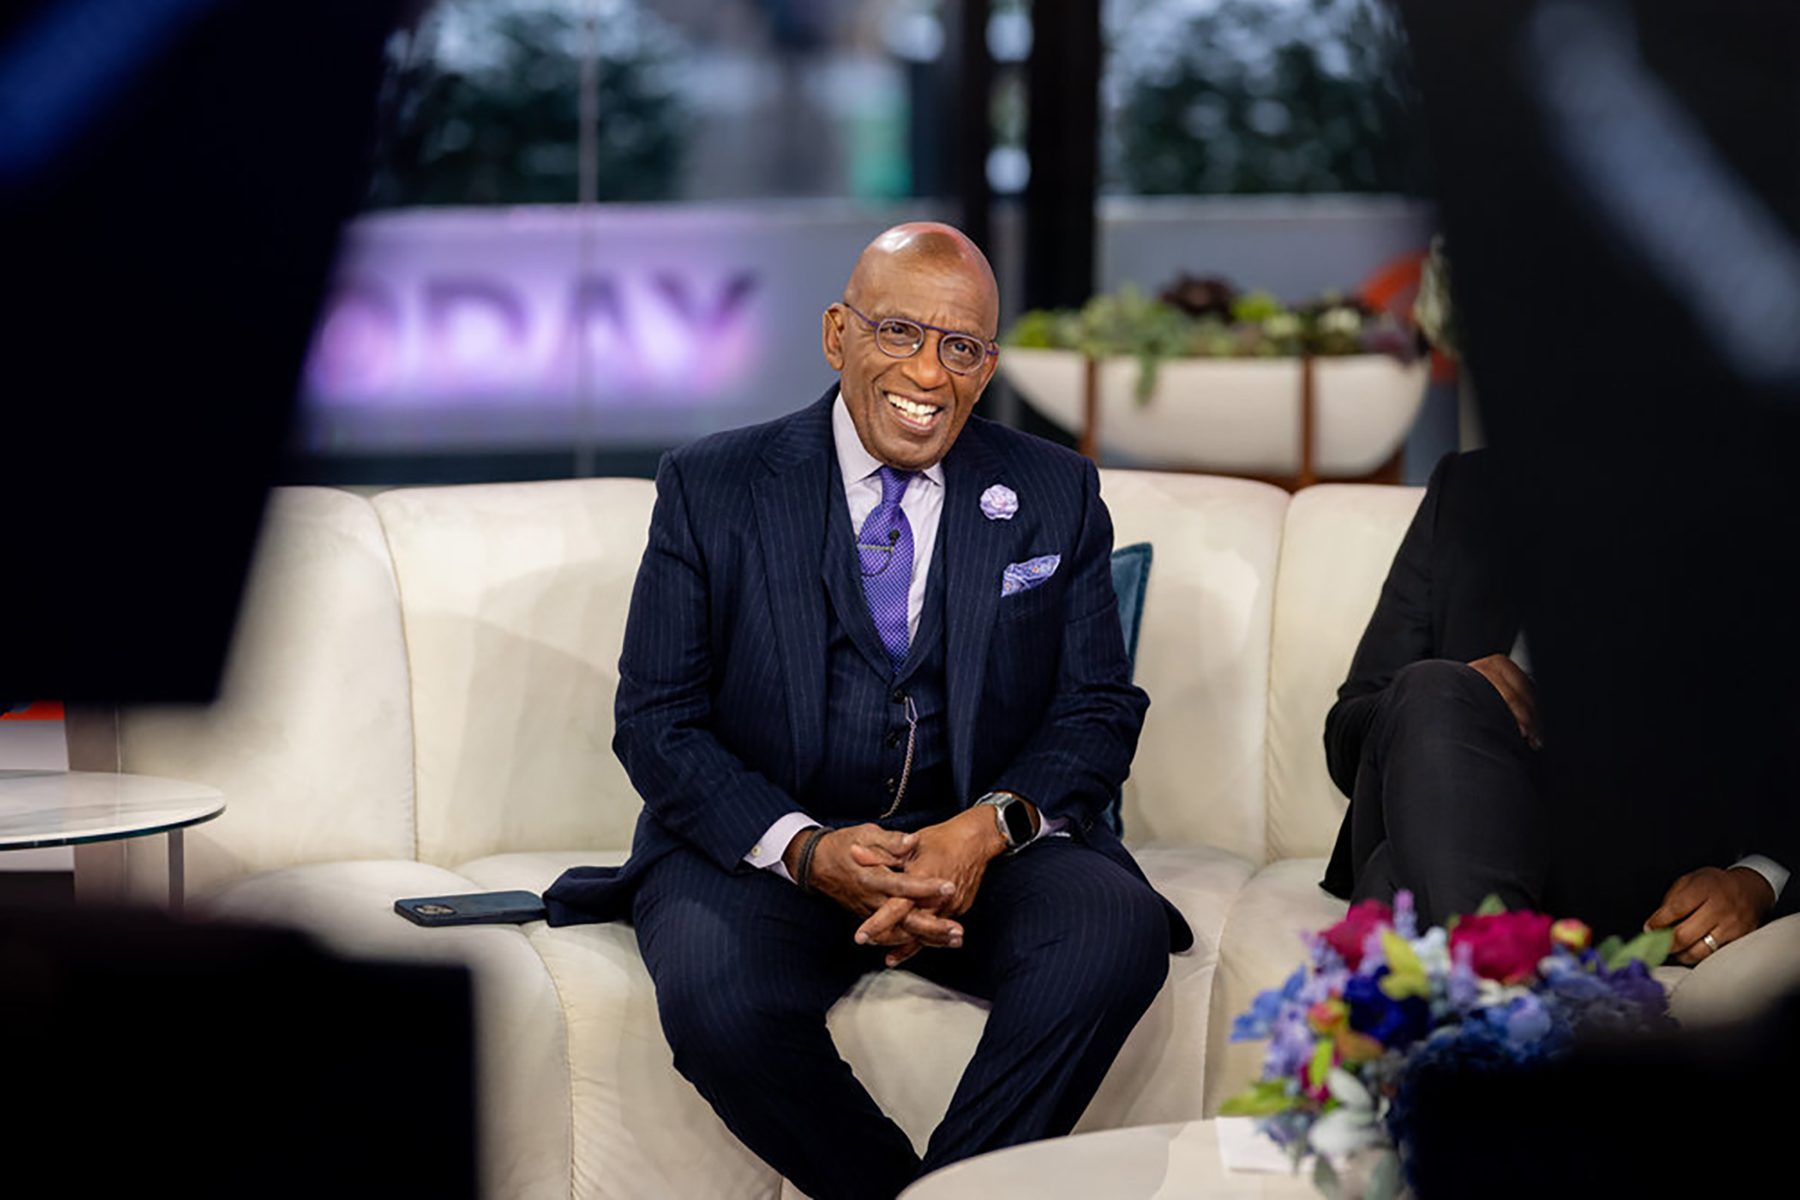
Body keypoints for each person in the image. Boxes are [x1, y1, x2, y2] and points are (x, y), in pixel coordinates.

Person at [544, 223, 1191, 1200]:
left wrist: (982, 832)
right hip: (774, 854)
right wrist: (808, 849)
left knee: (1115, 933)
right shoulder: (713, 485)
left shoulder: (1055, 491)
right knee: (722, 1007)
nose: (929, 373)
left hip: (986, 848)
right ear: (836, 333)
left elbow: (1098, 705)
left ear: (988, 366)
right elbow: (659, 719)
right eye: (897, 333)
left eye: (961, 347)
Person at [1320, 450, 1792, 954]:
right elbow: (1347, 731)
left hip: (1625, 866)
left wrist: (1760, 878)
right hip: (1447, 793)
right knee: (1434, 690)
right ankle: (1505, 999)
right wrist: (1456, 695)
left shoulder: (1753, 487)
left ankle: (1486, 990)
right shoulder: (1469, 488)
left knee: (1392, 879)